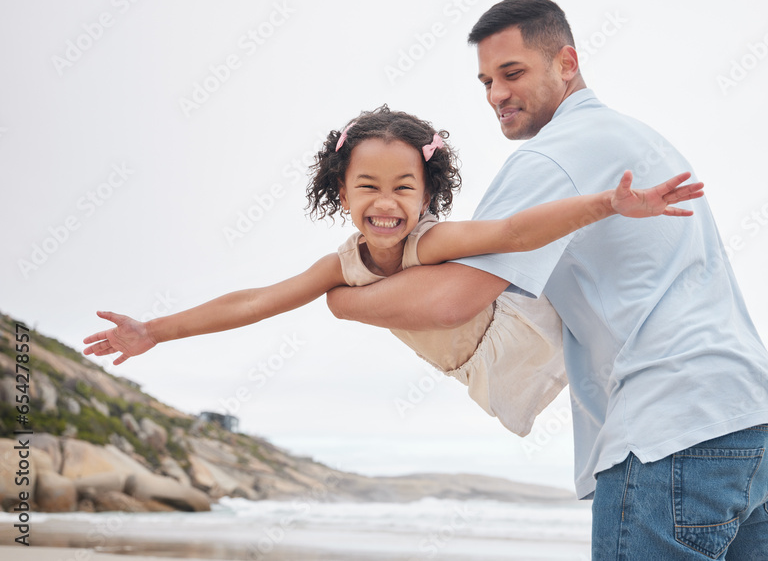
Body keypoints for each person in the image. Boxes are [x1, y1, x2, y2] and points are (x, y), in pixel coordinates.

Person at [325, 0, 768, 559]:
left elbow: (454, 299)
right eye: (485, 81)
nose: (496, 94)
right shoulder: (635, 137)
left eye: (513, 72)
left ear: (566, 62)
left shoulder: (552, 159)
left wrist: (340, 298)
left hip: (670, 429)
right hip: (755, 422)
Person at [83, 105, 704, 438]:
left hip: (524, 331)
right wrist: (156, 330)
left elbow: (514, 232)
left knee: (611, 368)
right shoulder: (340, 267)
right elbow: (255, 300)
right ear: (342, 192)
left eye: (404, 187)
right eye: (368, 187)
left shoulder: (433, 243)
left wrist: (605, 205)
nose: (387, 203)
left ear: (427, 193)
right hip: (478, 368)